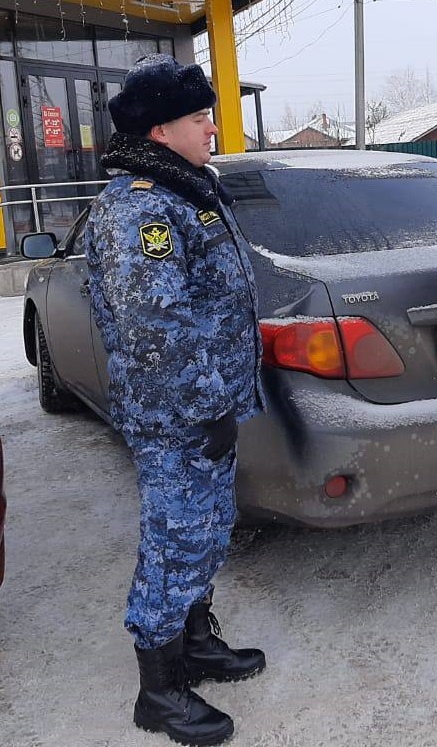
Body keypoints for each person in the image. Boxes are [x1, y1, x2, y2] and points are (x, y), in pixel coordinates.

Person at [81, 54, 266, 745]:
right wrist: (205, 406)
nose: (213, 127)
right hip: (178, 414)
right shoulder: (140, 208)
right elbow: (155, 328)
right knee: (174, 539)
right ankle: (158, 691)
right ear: (161, 130)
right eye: (199, 118)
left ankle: (193, 643)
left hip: (208, 403)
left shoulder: (186, 191)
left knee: (208, 529)